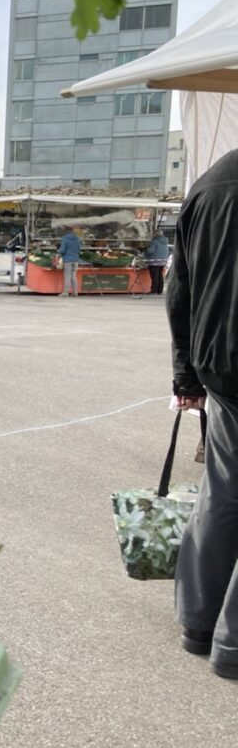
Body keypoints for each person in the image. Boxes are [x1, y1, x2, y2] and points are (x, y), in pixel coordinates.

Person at [166, 149, 238, 681]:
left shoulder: (210, 182)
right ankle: (231, 643)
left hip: (219, 361)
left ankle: (198, 620)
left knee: (224, 490)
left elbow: (179, 287)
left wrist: (186, 374)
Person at [57, 226, 82, 297]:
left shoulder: (65, 238)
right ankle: (75, 292)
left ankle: (66, 292)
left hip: (68, 259)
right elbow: (79, 248)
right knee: (74, 275)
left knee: (67, 276)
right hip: (76, 259)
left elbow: (62, 250)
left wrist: (59, 254)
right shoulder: (77, 238)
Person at [145, 230, 169, 295]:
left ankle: (154, 290)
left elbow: (150, 251)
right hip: (163, 261)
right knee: (160, 276)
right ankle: (159, 290)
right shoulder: (165, 241)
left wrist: (145, 250)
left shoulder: (154, 241)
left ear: (155, 234)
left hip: (154, 261)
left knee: (154, 276)